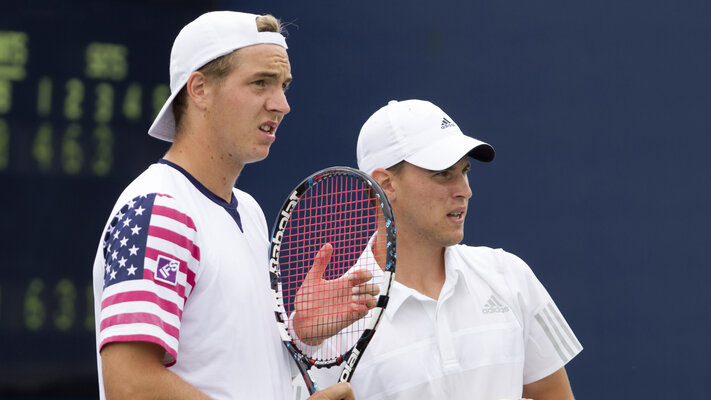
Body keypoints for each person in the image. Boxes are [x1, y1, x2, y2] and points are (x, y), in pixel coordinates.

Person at [91, 11, 363, 400]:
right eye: (260, 83)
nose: (282, 104)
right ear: (199, 89)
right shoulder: (160, 209)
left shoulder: (248, 211)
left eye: (283, 85)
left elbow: (226, 369)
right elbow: (131, 385)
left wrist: (299, 331)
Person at [309, 99, 582, 399]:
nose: (464, 190)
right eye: (443, 174)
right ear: (386, 185)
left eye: (464, 171)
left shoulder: (509, 275)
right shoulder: (327, 326)